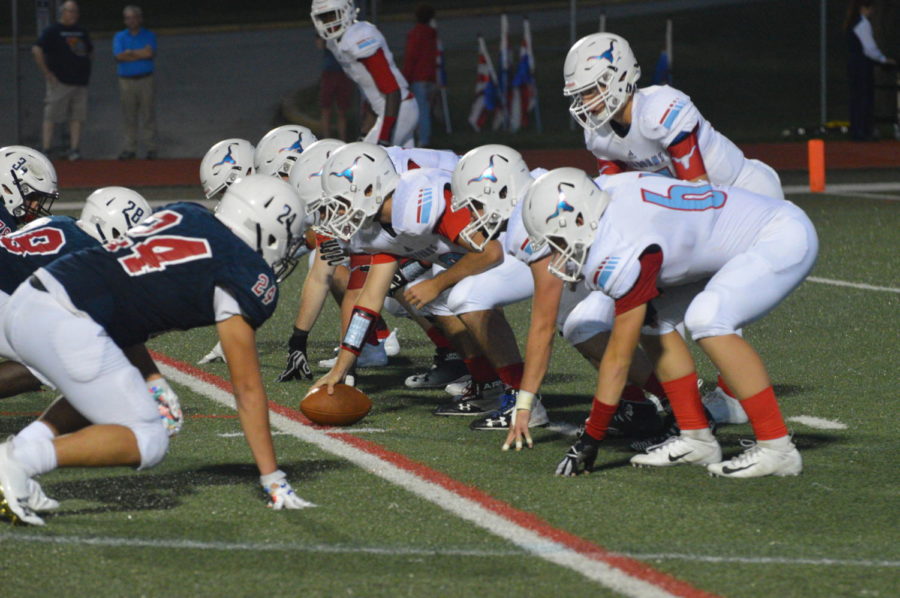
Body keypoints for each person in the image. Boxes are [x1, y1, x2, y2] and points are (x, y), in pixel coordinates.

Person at [0, 175, 311, 526]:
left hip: (35, 296)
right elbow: (247, 388)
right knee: (149, 440)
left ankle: (20, 461)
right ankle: (19, 460)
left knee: (114, 387)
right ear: (268, 229)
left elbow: (120, 302)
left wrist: (152, 379)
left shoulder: (185, 212)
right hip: (65, 318)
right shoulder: (241, 269)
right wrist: (271, 476)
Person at [515, 168, 817, 479]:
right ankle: (696, 436)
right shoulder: (601, 195)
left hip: (778, 234)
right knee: (651, 320)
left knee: (708, 318)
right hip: (727, 241)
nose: (556, 253)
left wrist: (592, 437)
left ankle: (777, 447)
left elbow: (618, 358)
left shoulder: (619, 245)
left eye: (556, 240)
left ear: (580, 219)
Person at [564, 32, 788, 425]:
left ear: (620, 77)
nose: (586, 102)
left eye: (593, 89)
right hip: (689, 216)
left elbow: (700, 196)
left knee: (712, 311)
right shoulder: (599, 135)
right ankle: (677, 402)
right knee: (618, 318)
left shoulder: (661, 109)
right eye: (581, 94)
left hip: (741, 205)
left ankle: (732, 399)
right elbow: (616, 199)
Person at [310, 0, 419, 148]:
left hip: (398, 110)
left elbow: (392, 91)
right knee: (406, 167)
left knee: (366, 164)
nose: (329, 23)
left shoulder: (359, 36)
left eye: (333, 16)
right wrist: (367, 128)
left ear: (347, 12)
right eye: (324, 18)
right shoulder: (336, 43)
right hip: (391, 111)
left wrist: (384, 139)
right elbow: (372, 90)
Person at [32, 1, 93, 162]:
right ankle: (46, 149)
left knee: (77, 116)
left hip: (80, 82)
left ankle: (74, 149)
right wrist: (47, 72)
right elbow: (37, 49)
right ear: (63, 13)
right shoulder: (53, 31)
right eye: (70, 11)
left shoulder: (81, 31)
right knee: (51, 115)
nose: (73, 15)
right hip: (60, 81)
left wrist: (85, 68)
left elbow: (89, 51)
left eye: (75, 12)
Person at [845, 0, 896, 141]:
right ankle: (863, 131)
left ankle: (857, 130)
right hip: (862, 66)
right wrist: (883, 59)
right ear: (864, 8)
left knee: (856, 98)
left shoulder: (852, 22)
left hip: (854, 65)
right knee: (864, 98)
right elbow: (869, 48)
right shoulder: (863, 24)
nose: (872, 12)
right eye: (870, 9)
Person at [113, 5, 158, 160]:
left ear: (140, 18)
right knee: (129, 116)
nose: (131, 21)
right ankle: (130, 148)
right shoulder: (120, 37)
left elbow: (150, 53)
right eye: (128, 18)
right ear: (125, 20)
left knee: (148, 115)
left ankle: (151, 148)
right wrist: (140, 53)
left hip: (146, 79)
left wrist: (130, 53)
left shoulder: (149, 35)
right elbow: (119, 56)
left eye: (134, 17)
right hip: (126, 82)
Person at [402, 4, 438, 147]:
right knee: (425, 109)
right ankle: (425, 137)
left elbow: (411, 57)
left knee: (420, 110)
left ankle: (422, 140)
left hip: (418, 77)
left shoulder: (415, 34)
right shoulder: (432, 34)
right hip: (430, 76)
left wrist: (406, 77)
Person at [317, 37, 353, 141]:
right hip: (329, 71)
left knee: (342, 110)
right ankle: (326, 139)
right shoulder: (326, 32)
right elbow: (320, 44)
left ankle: (342, 140)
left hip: (344, 72)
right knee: (326, 108)